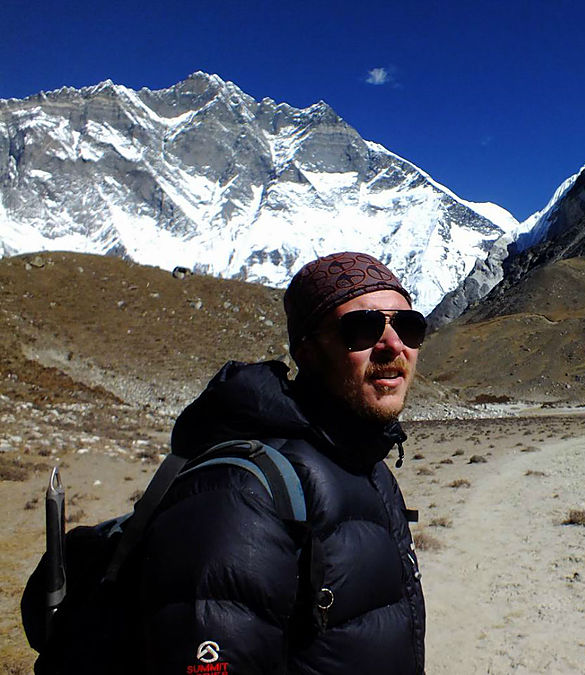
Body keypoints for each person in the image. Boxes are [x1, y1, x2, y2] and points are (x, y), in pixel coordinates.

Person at [138, 252, 427, 674]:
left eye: (408, 326)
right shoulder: (242, 496)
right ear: (308, 352)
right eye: (361, 328)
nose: (392, 345)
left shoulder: (369, 467)